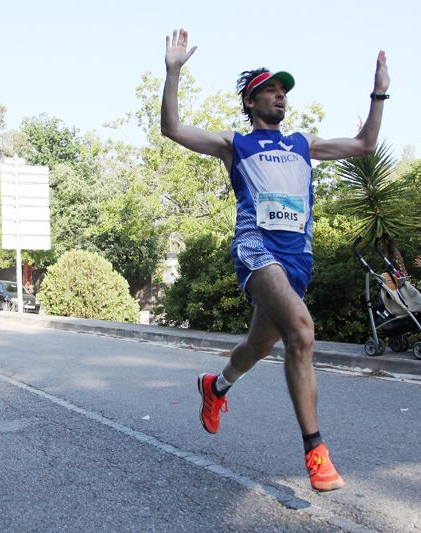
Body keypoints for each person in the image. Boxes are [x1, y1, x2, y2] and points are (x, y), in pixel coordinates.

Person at [161, 28, 389, 492]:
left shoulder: (304, 144)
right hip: (255, 247)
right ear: (250, 102)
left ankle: (216, 387)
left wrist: (379, 91)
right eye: (269, 90)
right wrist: (173, 72)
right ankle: (316, 453)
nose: (279, 97)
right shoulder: (235, 145)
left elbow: (365, 143)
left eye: (283, 91)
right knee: (301, 330)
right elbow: (173, 129)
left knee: (259, 346)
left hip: (296, 258)